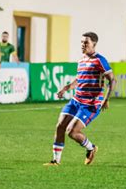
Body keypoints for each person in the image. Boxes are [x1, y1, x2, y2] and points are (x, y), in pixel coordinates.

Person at [44, 32, 115, 166]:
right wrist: (67, 87)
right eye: (82, 42)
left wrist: (106, 99)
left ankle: (91, 148)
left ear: (94, 44)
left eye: (86, 42)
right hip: (76, 101)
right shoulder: (81, 60)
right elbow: (80, 79)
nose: (83, 45)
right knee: (60, 126)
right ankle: (55, 161)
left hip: (90, 105)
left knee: (71, 131)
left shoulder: (100, 60)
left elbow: (112, 80)